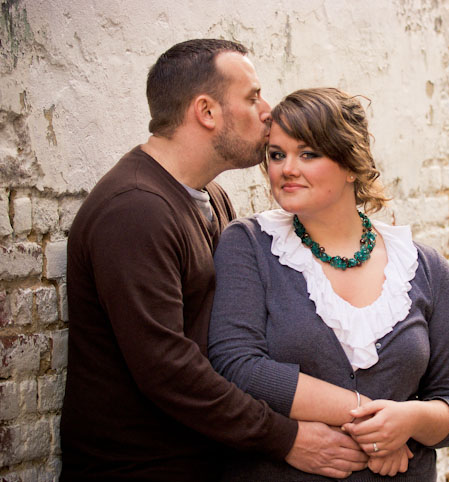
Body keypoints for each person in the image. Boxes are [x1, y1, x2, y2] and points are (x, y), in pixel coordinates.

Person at [60, 41, 368, 481]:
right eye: (251, 97)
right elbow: (167, 368)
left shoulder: (210, 197)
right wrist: (285, 437)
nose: (267, 111)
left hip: (202, 457)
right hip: (141, 467)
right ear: (206, 111)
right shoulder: (135, 210)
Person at [209, 87, 449, 481]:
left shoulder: (423, 267)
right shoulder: (249, 245)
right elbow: (237, 367)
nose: (287, 169)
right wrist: (370, 418)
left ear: (351, 163)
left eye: (308, 154)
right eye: (277, 154)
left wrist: (408, 419)